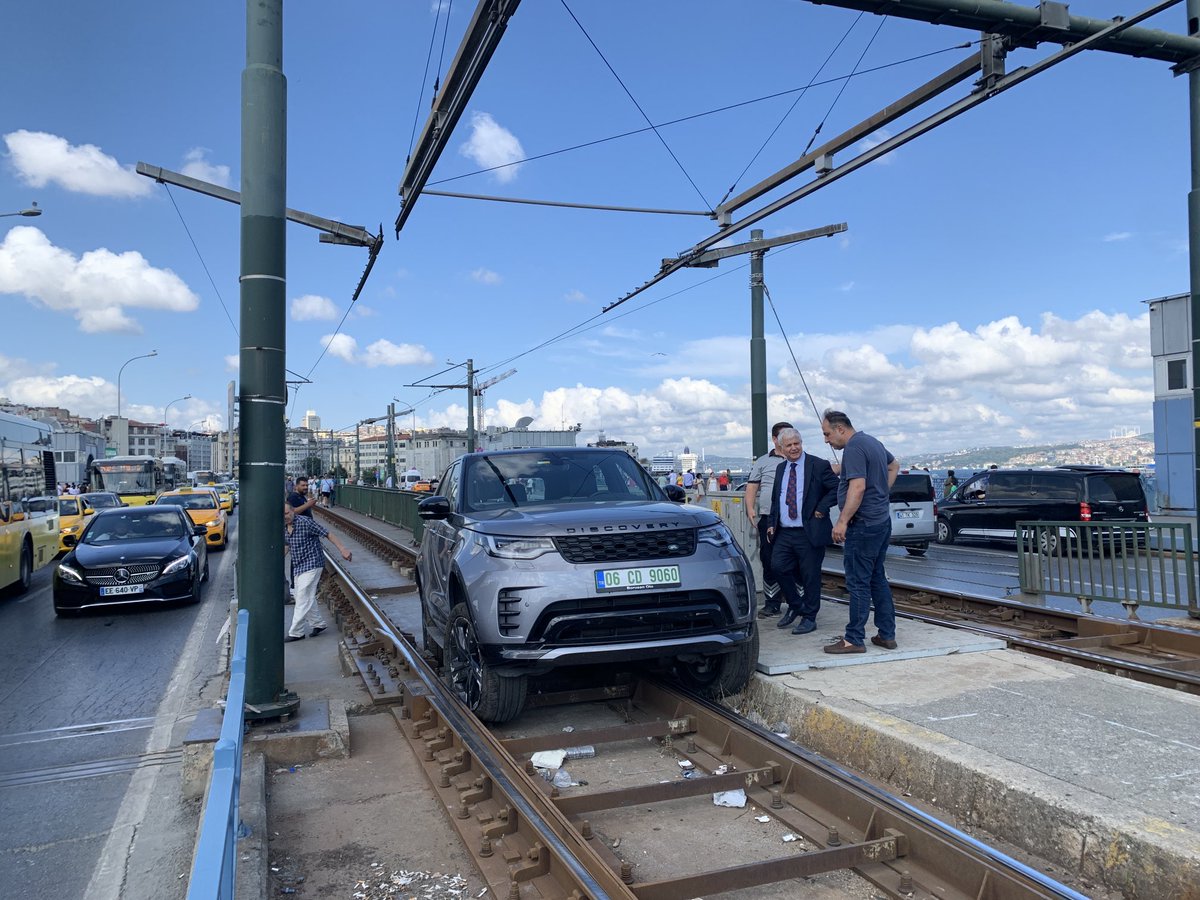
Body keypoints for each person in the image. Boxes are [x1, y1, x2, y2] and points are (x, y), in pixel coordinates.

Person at [822, 409, 900, 654]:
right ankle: (887, 635)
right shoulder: (872, 442)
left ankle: (854, 639)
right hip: (881, 521)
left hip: (863, 525)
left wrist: (842, 521)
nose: (826, 440)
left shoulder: (854, 448)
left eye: (827, 434)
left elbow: (857, 487)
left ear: (840, 429)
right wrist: (880, 495)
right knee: (877, 578)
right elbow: (894, 466)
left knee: (858, 583)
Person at [766, 428, 839, 634]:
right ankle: (796, 605)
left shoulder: (818, 465)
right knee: (778, 567)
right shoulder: (781, 469)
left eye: (796, 443)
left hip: (809, 532)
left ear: (801, 442)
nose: (794, 448)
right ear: (781, 448)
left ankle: (809, 617)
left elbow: (837, 488)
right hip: (785, 531)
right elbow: (776, 499)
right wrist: (772, 522)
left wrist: (822, 508)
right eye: (788, 445)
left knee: (810, 576)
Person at [744, 421, 794, 617]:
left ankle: (795, 601)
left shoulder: (799, 459)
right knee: (769, 559)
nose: (788, 441)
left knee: (795, 559)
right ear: (775, 439)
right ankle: (772, 602)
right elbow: (752, 487)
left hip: (793, 518)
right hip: (767, 517)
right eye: (783, 436)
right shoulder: (763, 462)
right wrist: (750, 509)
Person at [283, 503, 352, 641]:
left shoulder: (305, 522)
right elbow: (287, 545)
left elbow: (328, 533)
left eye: (287, 513)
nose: (285, 517)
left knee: (303, 595)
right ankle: (318, 623)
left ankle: (296, 632)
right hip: (299, 566)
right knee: (301, 595)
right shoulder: (283, 527)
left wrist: (343, 549)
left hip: (313, 563)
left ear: (293, 511)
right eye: (282, 514)